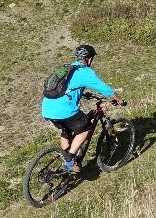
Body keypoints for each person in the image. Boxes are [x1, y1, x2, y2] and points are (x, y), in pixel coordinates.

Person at [40, 44, 126, 173]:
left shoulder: (68, 68)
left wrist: (83, 93)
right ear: (89, 59)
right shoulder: (85, 72)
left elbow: (65, 88)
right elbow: (104, 89)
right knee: (85, 128)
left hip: (48, 108)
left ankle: (66, 159)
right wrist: (120, 100)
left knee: (66, 131)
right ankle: (69, 161)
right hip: (64, 110)